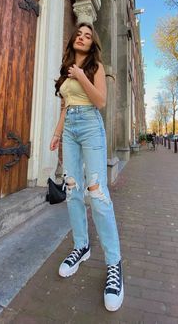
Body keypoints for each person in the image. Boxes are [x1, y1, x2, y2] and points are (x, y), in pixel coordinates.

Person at [50, 22, 123, 312]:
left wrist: (82, 75)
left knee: (98, 195)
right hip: (70, 130)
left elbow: (101, 101)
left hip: (91, 126)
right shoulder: (66, 67)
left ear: (93, 43)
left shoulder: (94, 67)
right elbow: (66, 105)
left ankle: (114, 263)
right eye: (78, 34)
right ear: (73, 40)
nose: (82, 37)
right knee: (72, 191)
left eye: (88, 35)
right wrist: (56, 134)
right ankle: (81, 246)